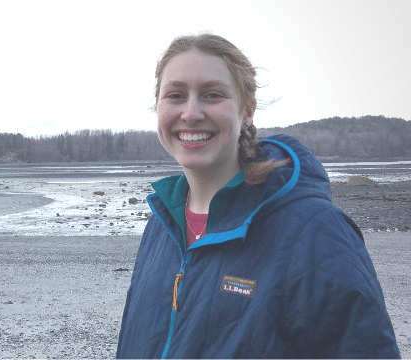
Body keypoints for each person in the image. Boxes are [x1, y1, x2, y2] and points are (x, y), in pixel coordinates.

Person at [116, 33, 400, 359]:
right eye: (176, 95)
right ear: (159, 108)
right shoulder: (161, 222)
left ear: (247, 112)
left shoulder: (314, 231)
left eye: (212, 95)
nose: (191, 112)